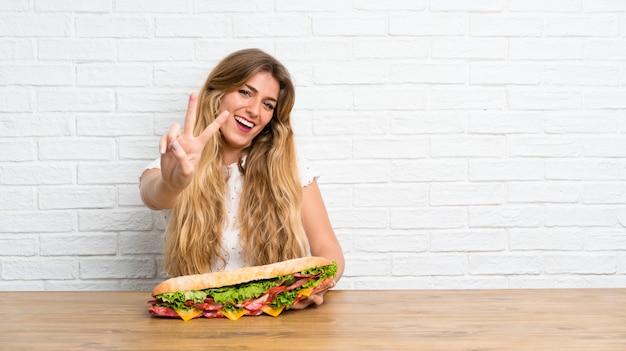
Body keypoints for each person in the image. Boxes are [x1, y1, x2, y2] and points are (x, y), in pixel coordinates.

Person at [139, 48, 344, 309]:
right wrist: (172, 183)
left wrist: (316, 287)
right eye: (245, 92)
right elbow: (154, 195)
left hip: (276, 318)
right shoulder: (178, 161)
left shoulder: (289, 165)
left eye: (268, 104)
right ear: (218, 93)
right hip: (199, 318)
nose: (255, 111)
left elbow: (328, 248)